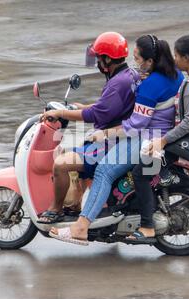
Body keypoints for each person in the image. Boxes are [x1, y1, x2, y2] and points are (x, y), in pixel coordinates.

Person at [49, 35, 184, 245]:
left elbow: (136, 125)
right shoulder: (174, 74)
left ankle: (80, 227)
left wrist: (106, 134)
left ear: (150, 61)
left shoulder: (150, 85)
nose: (135, 62)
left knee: (104, 170)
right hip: (161, 133)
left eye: (138, 58)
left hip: (147, 138)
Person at [38, 31, 140, 224]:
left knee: (60, 164)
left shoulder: (118, 83)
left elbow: (95, 115)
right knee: (72, 150)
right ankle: (76, 205)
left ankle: (56, 209)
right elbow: (107, 108)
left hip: (111, 143)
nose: (98, 63)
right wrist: (81, 106)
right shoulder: (128, 75)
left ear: (108, 59)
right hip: (117, 137)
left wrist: (61, 113)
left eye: (100, 58)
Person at [131, 35, 189, 242]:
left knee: (141, 172)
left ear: (187, 58)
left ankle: (147, 226)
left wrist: (162, 141)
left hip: (187, 144)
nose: (174, 60)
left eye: (176, 56)